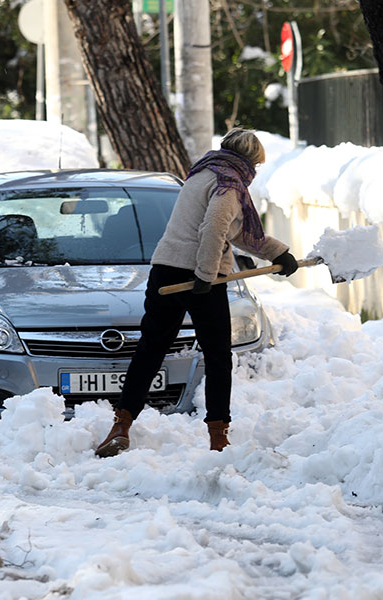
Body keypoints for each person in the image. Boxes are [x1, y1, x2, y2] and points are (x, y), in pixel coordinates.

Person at [95, 128, 298, 457]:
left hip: (165, 269)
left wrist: (278, 253)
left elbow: (237, 232)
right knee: (218, 357)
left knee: (150, 350)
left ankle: (121, 426)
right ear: (250, 161)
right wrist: (205, 274)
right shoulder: (229, 183)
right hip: (200, 278)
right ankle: (218, 438)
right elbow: (214, 227)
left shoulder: (203, 172)